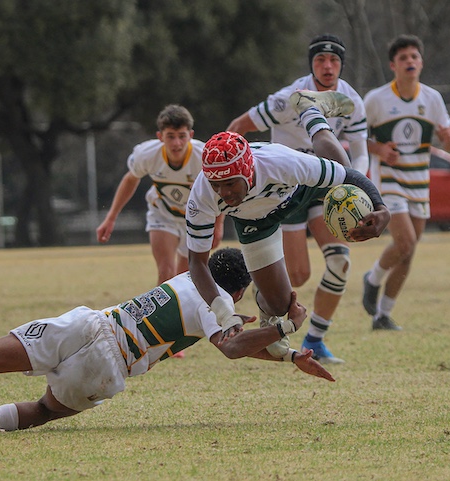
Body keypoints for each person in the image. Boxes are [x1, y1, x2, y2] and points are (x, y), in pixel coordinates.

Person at [0, 247, 335, 436]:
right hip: (108, 361)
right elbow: (232, 345)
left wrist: (289, 354)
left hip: (88, 323)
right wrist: (289, 327)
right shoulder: (221, 308)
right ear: (241, 287)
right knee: (46, 411)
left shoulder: (191, 280)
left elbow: (240, 338)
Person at [186, 91, 391, 360]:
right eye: (216, 184)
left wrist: (380, 208)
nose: (223, 193)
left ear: (248, 170)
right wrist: (225, 315)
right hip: (255, 223)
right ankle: (266, 297)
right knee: (280, 304)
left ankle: (310, 111)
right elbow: (197, 263)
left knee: (344, 176)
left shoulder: (281, 162)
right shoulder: (202, 194)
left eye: (230, 183)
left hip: (298, 192)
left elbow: (350, 176)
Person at [226, 34, 368, 364]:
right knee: (298, 276)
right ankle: (265, 296)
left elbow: (360, 152)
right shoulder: (286, 99)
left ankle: (316, 339)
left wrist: (357, 183)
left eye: (334, 61)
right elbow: (239, 126)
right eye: (320, 60)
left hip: (324, 185)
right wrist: (233, 171)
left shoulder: (351, 101)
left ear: (341, 65)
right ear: (311, 65)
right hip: (287, 189)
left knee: (340, 262)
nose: (328, 66)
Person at [361, 34, 450, 331]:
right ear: (393, 65)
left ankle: (383, 315)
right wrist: (379, 150)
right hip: (389, 181)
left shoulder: (432, 99)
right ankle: (373, 278)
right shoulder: (376, 99)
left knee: (408, 252)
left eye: (414, 57)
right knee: (405, 242)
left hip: (419, 181)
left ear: (421, 63)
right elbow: (356, 139)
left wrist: (449, 139)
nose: (410, 62)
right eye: (403, 58)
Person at [96, 105, 224, 285]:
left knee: (185, 280)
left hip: (195, 217)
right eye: (170, 136)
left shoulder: (203, 157)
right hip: (162, 214)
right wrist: (111, 217)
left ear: (191, 135)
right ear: (160, 137)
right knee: (166, 272)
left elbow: (219, 191)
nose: (176, 143)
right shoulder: (147, 154)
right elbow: (130, 179)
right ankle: (160, 314)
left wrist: (218, 225)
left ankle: (181, 313)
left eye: (181, 136)